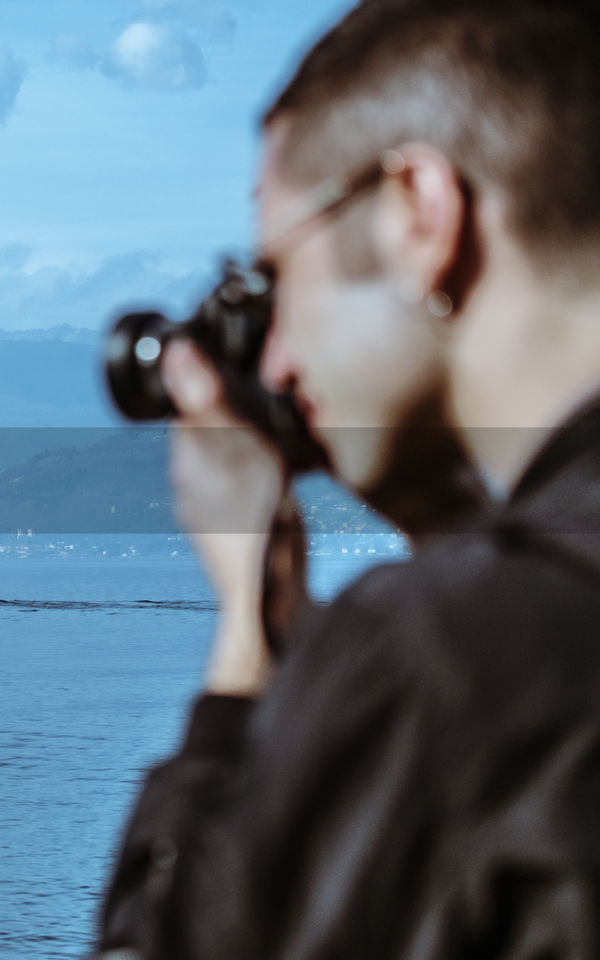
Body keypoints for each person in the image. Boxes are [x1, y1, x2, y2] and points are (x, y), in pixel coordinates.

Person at [95, 1, 600, 957]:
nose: (278, 360)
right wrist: (444, 522)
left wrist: (252, 623)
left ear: (419, 211)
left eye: (279, 276)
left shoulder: (434, 660)